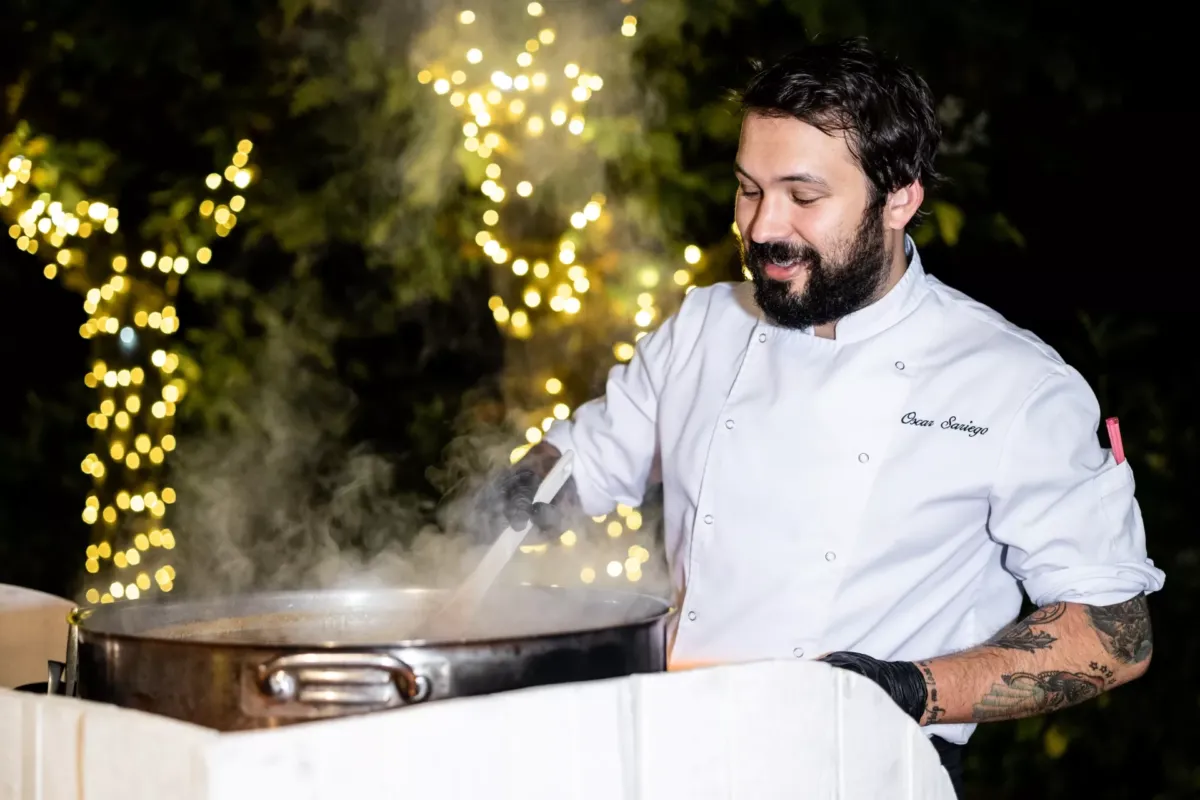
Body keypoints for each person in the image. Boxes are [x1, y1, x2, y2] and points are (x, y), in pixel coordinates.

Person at [490, 37, 1164, 796]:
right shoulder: (706, 326)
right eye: (749, 189)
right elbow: (590, 461)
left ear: (900, 197)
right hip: (672, 755)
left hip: (862, 772)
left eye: (803, 197)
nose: (763, 227)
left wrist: (907, 688)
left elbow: (1114, 633)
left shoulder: (1013, 385)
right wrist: (524, 488)